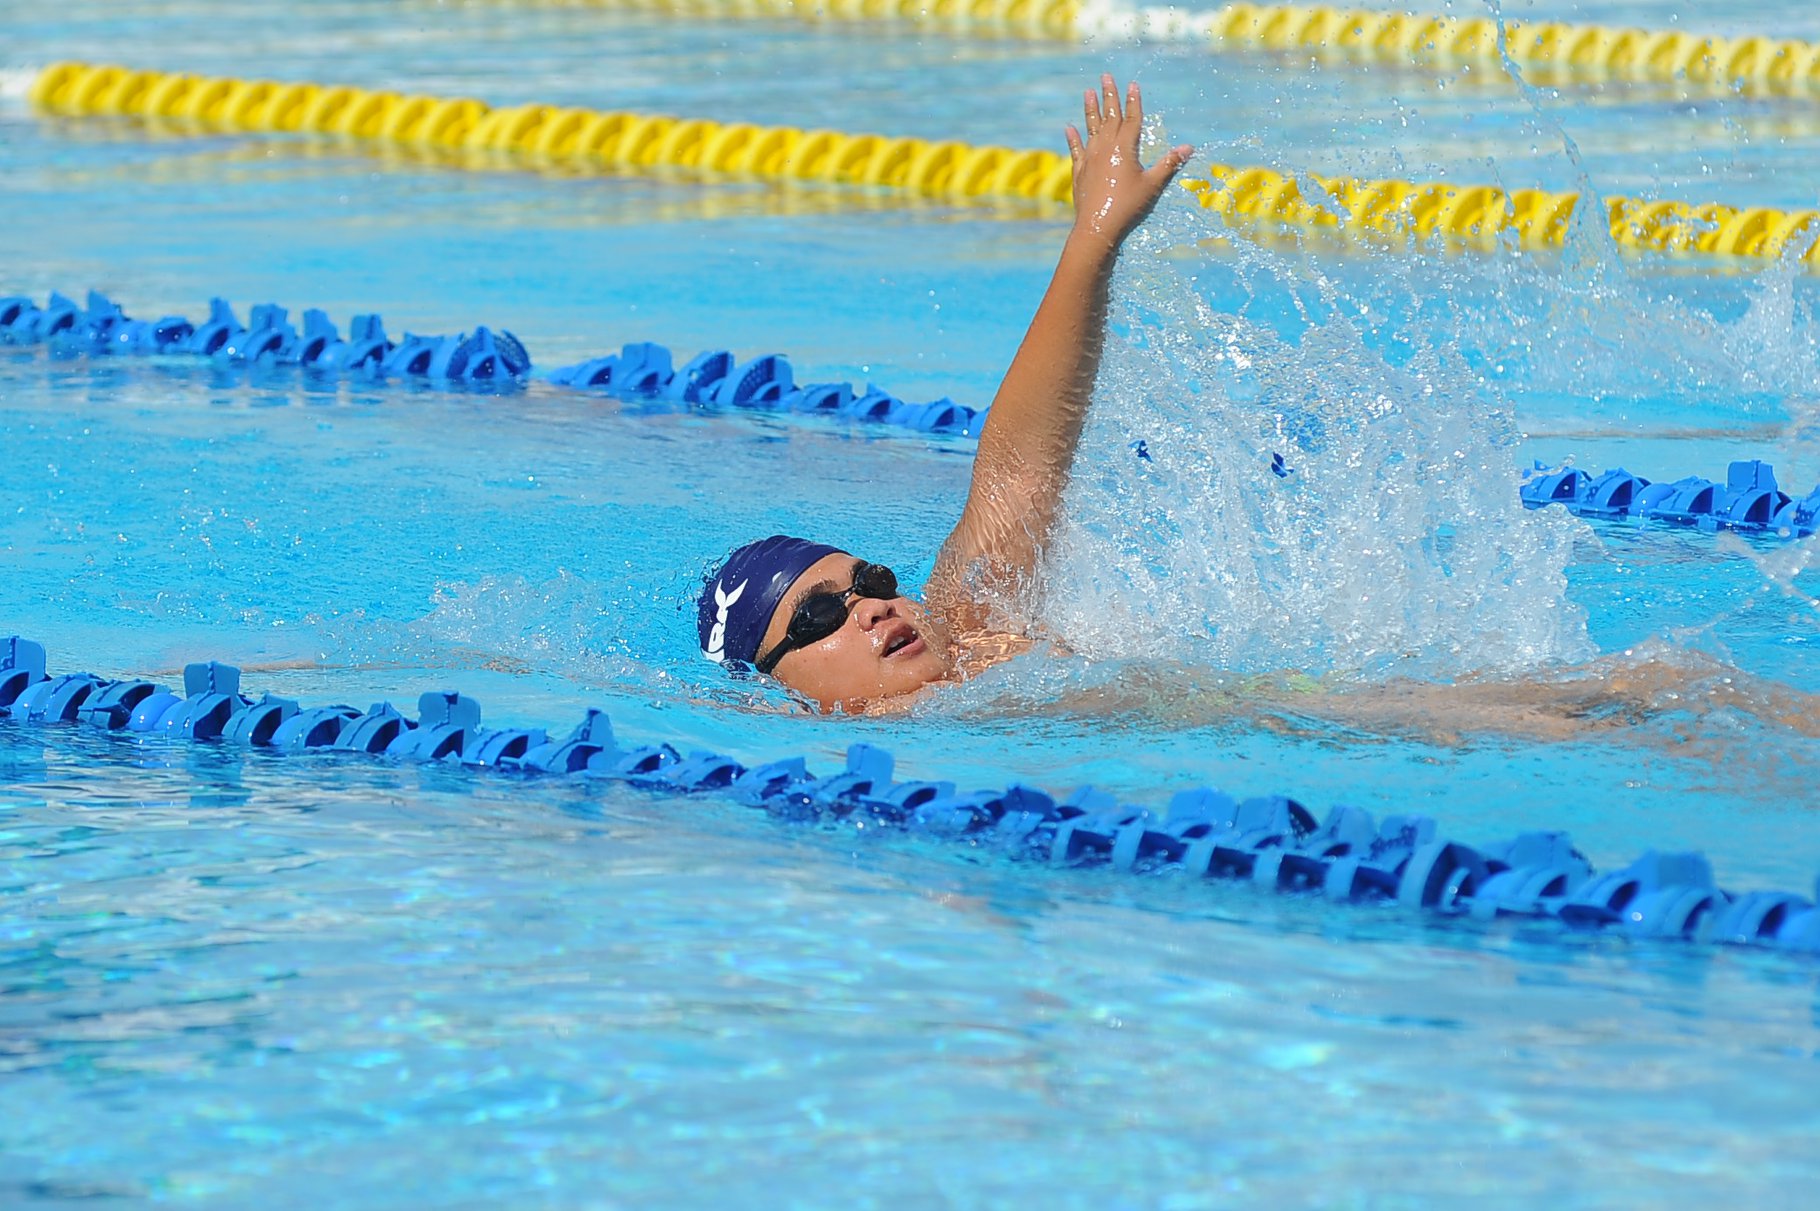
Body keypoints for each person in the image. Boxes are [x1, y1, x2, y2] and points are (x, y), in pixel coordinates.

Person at [696, 75, 1193, 713]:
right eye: (817, 616)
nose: (873, 608)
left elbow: (1019, 472)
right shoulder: (844, 756)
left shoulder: (975, 635)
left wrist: (1094, 237)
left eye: (871, 581)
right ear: (771, 688)